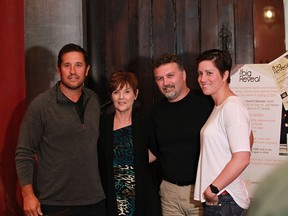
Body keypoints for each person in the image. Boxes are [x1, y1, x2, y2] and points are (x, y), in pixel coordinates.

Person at [15, 43, 106, 216]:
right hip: (55, 204)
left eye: (78, 65)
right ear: (59, 70)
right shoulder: (41, 106)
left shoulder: (94, 100)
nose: (73, 71)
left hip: (94, 201)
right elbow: (24, 152)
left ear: (87, 70)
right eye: (67, 65)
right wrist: (27, 195)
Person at [151, 53, 213, 215]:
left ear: (183, 75)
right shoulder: (156, 111)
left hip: (201, 191)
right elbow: (154, 151)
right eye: (160, 78)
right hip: (169, 194)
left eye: (170, 76)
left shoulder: (206, 103)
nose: (166, 83)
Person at [194, 49, 252, 216]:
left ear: (225, 74)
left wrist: (213, 189)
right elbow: (249, 139)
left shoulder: (232, 107)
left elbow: (242, 158)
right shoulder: (220, 106)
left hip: (224, 199)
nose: (202, 79)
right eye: (200, 73)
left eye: (209, 73)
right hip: (221, 200)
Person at [97, 71, 162, 216]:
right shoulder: (102, 125)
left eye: (127, 91)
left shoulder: (146, 124)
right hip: (112, 197)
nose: (121, 97)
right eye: (116, 92)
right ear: (111, 96)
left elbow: (157, 153)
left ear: (135, 94)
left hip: (142, 197)